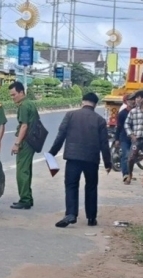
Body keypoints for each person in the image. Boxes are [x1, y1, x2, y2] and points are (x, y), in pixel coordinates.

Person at [48, 92, 112, 228]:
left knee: (71, 185)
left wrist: (52, 153)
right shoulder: (99, 120)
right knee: (91, 187)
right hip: (91, 159)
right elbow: (104, 144)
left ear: (83, 101)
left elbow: (60, 136)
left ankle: (71, 214)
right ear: (95, 104)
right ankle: (91, 218)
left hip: (73, 158)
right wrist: (108, 163)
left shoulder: (70, 115)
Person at [9, 81, 38, 210]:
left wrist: (17, 143)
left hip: (26, 141)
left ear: (21, 92)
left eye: (14, 94)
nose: (12, 97)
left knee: (22, 171)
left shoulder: (24, 106)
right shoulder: (30, 103)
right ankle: (28, 198)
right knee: (27, 170)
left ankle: (25, 199)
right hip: (32, 141)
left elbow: (24, 126)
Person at [125, 89, 143, 188]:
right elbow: (127, 124)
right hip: (136, 139)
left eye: (138, 97)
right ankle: (130, 175)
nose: (136, 100)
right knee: (131, 158)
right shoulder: (133, 112)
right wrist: (131, 134)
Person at [114, 93, 136, 184]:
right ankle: (125, 175)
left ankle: (130, 174)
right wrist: (117, 139)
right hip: (124, 138)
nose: (132, 101)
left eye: (133, 99)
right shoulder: (122, 114)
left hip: (135, 138)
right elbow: (119, 127)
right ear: (126, 101)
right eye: (130, 100)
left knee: (132, 157)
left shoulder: (137, 112)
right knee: (125, 155)